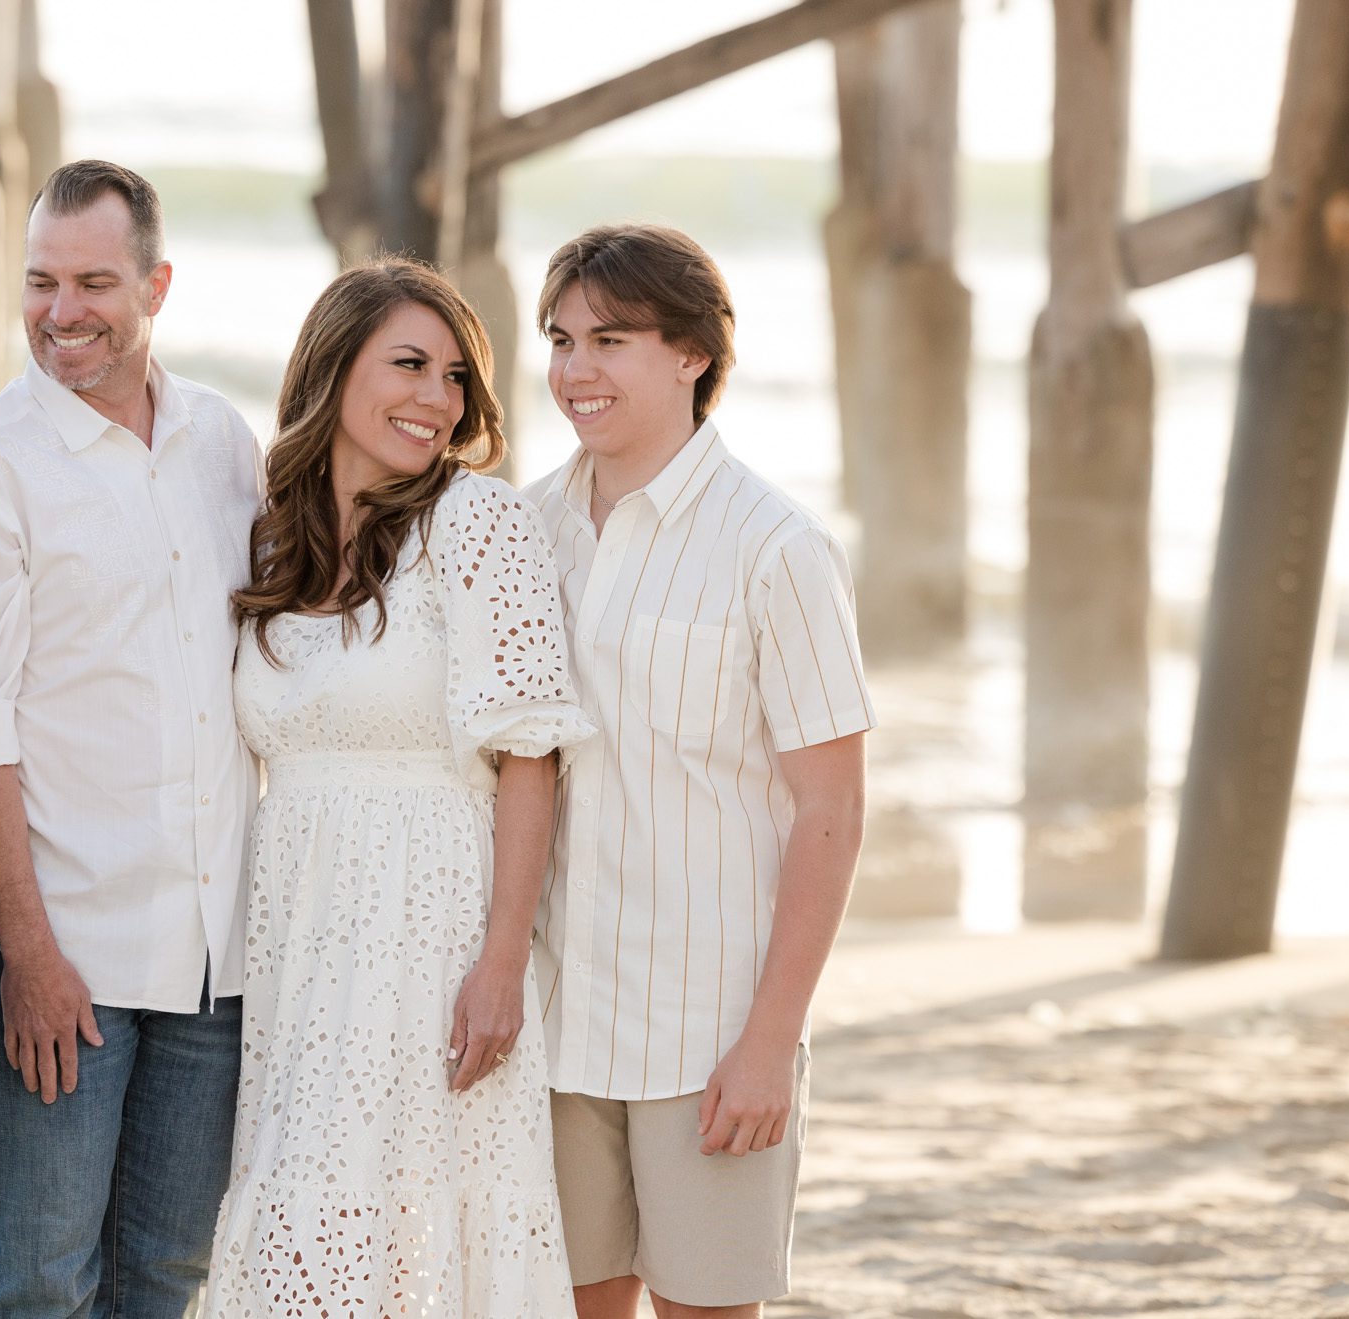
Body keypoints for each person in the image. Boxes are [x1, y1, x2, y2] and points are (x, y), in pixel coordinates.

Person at [204, 258, 597, 1316]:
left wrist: (502, 963)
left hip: (430, 931)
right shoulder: (272, 536)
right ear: (332, 370)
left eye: (456, 376)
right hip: (299, 938)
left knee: (422, 1221)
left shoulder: (478, 522)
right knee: (303, 1219)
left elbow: (530, 758)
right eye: (410, 365)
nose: (439, 399)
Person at [522, 224, 875, 1319]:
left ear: (692, 354)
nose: (574, 370)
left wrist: (770, 1041)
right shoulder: (522, 531)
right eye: (559, 339)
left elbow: (830, 808)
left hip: (706, 1032)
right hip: (553, 1024)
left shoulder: (776, 548)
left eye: (609, 340)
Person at [0, 160, 261, 1318]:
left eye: (92, 283)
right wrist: (26, 949)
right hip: (63, 946)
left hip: (213, 953)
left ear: (155, 287)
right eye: (39, 281)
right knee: (41, 1282)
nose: (60, 311)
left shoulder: (222, 439)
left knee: (165, 1274)